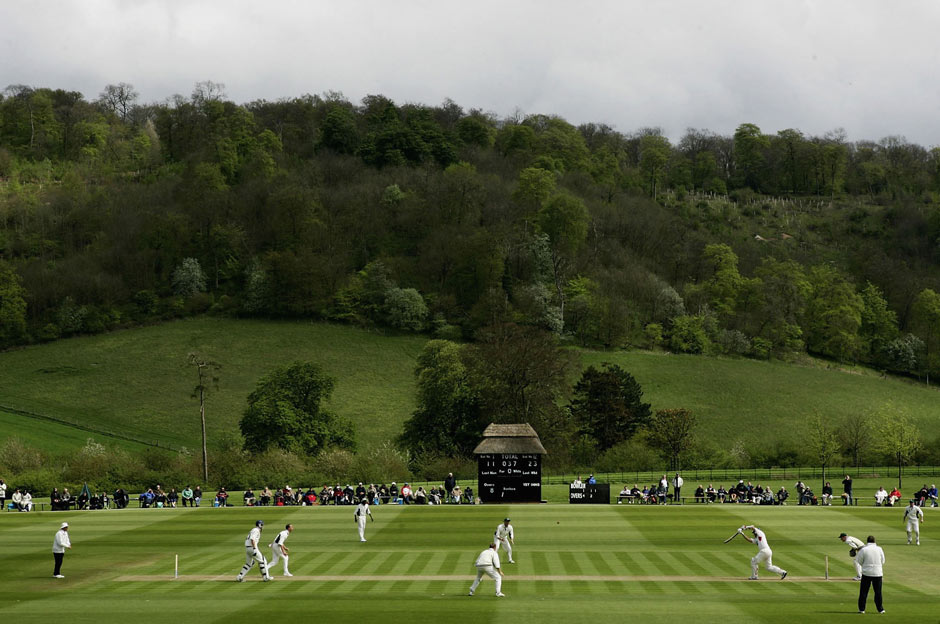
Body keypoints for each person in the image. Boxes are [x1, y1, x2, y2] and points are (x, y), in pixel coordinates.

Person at [856, 535, 885, 614]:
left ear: (867, 541)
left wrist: (865, 566)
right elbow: (883, 561)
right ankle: (880, 609)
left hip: (866, 573)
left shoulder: (864, 549)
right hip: (877, 573)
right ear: (874, 541)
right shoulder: (879, 549)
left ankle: (862, 609)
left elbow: (859, 561)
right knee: (878, 592)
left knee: (863, 592)